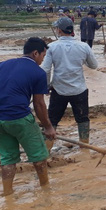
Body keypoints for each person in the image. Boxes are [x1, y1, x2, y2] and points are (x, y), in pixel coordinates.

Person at [0, 37, 56, 196]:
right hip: (19, 118)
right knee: (39, 156)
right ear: (35, 53)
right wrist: (48, 126)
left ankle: (8, 194)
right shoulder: (38, 73)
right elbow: (39, 104)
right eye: (43, 57)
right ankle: (46, 190)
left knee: (8, 159)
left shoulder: (2, 65)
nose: (42, 60)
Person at [42, 17, 98, 145]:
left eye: (56, 28)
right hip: (79, 90)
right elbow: (94, 65)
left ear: (59, 30)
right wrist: (81, 60)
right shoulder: (83, 46)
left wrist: (46, 86)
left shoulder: (51, 47)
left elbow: (45, 69)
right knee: (83, 119)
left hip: (59, 90)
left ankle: (47, 149)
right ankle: (84, 146)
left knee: (52, 120)